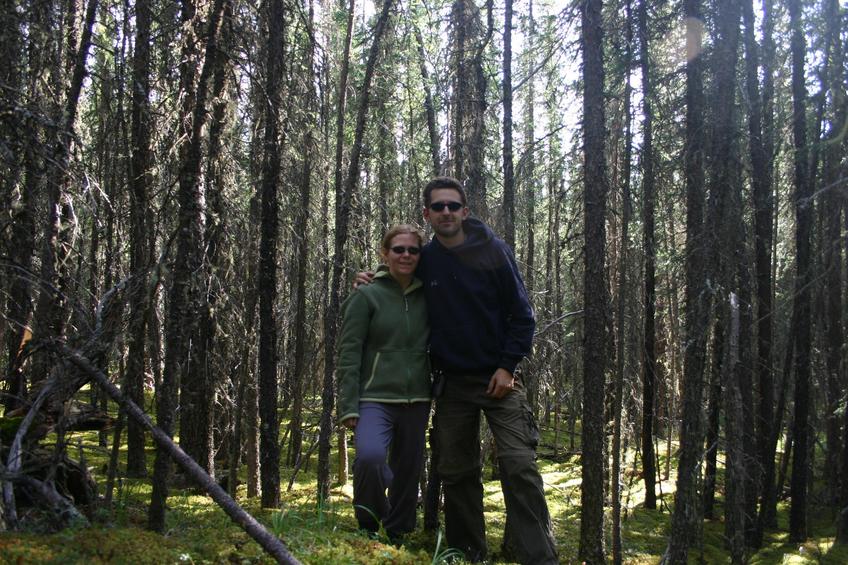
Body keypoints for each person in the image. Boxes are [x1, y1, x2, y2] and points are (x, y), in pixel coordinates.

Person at [358, 177, 557, 563]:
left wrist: (507, 366)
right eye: (438, 207)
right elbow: (398, 275)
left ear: (465, 211)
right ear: (427, 214)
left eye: (453, 206)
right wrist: (370, 280)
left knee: (520, 467)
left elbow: (522, 315)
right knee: (457, 472)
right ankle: (468, 554)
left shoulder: (493, 251)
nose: (446, 212)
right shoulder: (427, 258)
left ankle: (540, 558)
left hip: (501, 380)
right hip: (451, 384)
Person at [337, 224, 432, 541]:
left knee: (407, 470)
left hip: (417, 397)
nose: (406, 255)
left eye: (413, 250)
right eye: (399, 249)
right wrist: (348, 404)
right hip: (374, 398)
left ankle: (398, 533)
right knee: (371, 458)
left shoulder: (429, 294)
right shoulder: (366, 296)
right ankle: (368, 525)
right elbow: (349, 352)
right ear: (385, 253)